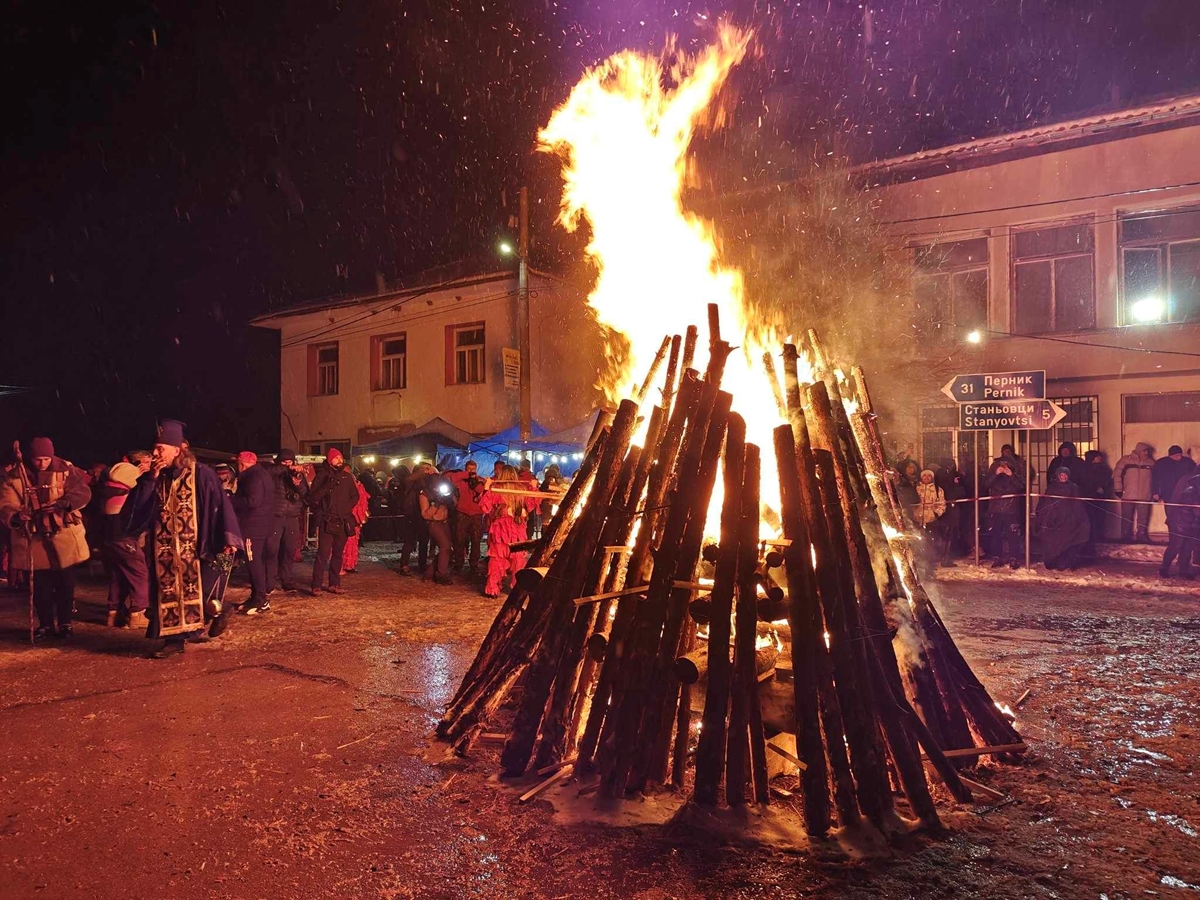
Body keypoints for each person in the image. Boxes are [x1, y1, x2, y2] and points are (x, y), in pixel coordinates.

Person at [124, 420, 244, 656]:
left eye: (161, 449)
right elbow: (138, 510)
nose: (155, 453)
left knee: (198, 592)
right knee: (169, 592)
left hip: (199, 545)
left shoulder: (201, 474)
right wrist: (150, 478)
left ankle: (218, 610)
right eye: (155, 448)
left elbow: (221, 505)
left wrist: (228, 537)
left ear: (177, 450)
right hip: (164, 550)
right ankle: (174, 641)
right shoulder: (155, 477)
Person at [0, 437, 92, 639]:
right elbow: (6, 502)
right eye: (37, 459)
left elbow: (83, 492)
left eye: (45, 459)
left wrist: (65, 503)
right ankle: (46, 624)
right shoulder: (16, 475)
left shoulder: (66, 470)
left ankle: (66, 623)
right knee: (40, 585)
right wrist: (16, 515)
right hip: (33, 537)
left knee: (65, 583)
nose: (41, 464)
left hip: (63, 535)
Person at [96, 460, 150, 629]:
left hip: (108, 539)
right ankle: (137, 614)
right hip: (124, 538)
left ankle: (113, 613)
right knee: (139, 573)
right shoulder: (125, 492)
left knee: (118, 575)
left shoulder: (107, 488)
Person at [479, 465, 540, 598]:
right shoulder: (521, 488)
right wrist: (534, 487)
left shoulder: (496, 489)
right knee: (518, 559)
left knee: (497, 558)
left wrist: (486, 487)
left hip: (501, 528)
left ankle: (492, 589)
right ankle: (517, 588)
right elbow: (531, 505)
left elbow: (484, 506)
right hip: (518, 527)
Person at [306, 448, 360, 595]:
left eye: (341, 458)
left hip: (342, 520)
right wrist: (327, 486)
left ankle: (334, 584)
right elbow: (313, 498)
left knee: (338, 553)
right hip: (326, 520)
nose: (339, 461)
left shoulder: (347, 477)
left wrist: (345, 509)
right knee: (323, 554)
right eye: (336, 458)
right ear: (330, 460)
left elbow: (355, 496)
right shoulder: (322, 476)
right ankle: (316, 585)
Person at [231, 451, 274, 614]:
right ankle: (256, 596)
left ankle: (260, 600)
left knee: (253, 563)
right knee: (256, 562)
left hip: (253, 527)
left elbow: (253, 501)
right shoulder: (260, 474)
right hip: (260, 525)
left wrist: (232, 500)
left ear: (242, 464)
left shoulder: (253, 477)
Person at [266, 449, 307, 593]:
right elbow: (270, 472)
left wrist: (298, 482)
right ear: (279, 462)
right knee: (272, 550)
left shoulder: (296, 474)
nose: (289, 465)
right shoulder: (272, 472)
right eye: (285, 462)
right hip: (275, 516)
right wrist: (286, 469)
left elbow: (304, 493)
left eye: (291, 462)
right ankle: (269, 581)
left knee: (289, 550)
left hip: (292, 516)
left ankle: (286, 579)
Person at [1036, 467, 1091, 571]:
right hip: (1053, 520)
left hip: (1068, 520)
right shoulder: (1052, 487)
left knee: (1069, 541)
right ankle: (1051, 561)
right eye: (1061, 475)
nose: (1063, 477)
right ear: (1057, 476)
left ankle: (1064, 562)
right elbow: (1045, 502)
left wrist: (1077, 519)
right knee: (1051, 542)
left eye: (1065, 475)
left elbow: (1077, 504)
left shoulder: (1073, 487)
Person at [418, 468, 455, 585]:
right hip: (433, 524)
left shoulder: (442, 491)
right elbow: (425, 514)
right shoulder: (424, 494)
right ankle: (441, 574)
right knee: (445, 547)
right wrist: (437, 503)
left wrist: (449, 499)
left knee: (447, 549)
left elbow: (454, 503)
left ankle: (429, 573)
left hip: (444, 522)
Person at [450, 460, 486, 576]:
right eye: (469, 469)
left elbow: (482, 491)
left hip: (476, 514)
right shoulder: (461, 480)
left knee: (476, 540)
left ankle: (474, 565)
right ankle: (459, 564)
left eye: (473, 469)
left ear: (476, 469)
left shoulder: (480, 480)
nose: (471, 471)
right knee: (459, 539)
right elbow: (452, 478)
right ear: (466, 469)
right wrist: (466, 475)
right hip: (462, 512)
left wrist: (475, 482)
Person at [1113, 442, 1155, 543]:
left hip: (1144, 495)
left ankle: (1142, 536)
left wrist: (1154, 492)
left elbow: (1156, 479)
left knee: (1143, 517)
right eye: (1144, 451)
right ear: (1138, 451)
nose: (1146, 453)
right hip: (1128, 494)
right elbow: (1117, 475)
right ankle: (1125, 536)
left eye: (1147, 451)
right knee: (1126, 516)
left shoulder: (1151, 463)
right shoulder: (1125, 461)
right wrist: (1118, 490)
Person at [985, 459, 1023, 569]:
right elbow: (986, 484)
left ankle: (1014, 558)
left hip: (1011, 510)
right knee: (996, 535)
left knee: (1013, 535)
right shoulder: (994, 476)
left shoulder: (1014, 475)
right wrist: (995, 474)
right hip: (996, 509)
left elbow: (1021, 486)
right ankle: (997, 558)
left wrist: (1011, 475)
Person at [1162, 470, 1200, 579]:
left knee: (1187, 547)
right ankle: (1164, 568)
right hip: (1180, 521)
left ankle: (1183, 571)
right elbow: (1196, 509)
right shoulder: (1191, 491)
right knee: (1176, 546)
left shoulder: (1192, 485)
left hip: (1190, 522)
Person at [399, 463, 435, 575]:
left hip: (423, 515)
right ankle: (404, 565)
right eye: (424, 469)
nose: (427, 471)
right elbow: (408, 480)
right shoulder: (411, 482)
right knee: (409, 541)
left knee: (424, 542)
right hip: (412, 514)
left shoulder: (428, 482)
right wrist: (422, 471)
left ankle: (422, 565)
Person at [1079, 450, 1114, 553]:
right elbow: (1082, 482)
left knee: (1100, 517)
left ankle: (1098, 535)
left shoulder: (1105, 469)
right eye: (1097, 457)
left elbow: (1109, 482)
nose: (1100, 458)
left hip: (1100, 497)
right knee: (1088, 518)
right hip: (1087, 497)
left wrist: (1104, 489)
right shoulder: (1084, 469)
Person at [935, 458, 966, 562]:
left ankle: (946, 556)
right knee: (948, 532)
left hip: (949, 506)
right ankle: (945, 558)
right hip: (948, 507)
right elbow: (953, 491)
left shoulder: (947, 474)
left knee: (948, 532)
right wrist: (956, 484)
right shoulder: (944, 475)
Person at [342, 467, 370, 574]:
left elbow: (362, 502)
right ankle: (343, 564)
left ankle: (349, 564)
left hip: (353, 518)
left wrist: (360, 515)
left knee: (352, 540)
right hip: (345, 517)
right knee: (345, 542)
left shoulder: (358, 486)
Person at [1152, 445, 1196, 514]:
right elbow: (1154, 478)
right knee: (1170, 514)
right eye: (1177, 455)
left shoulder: (1188, 462)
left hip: (1185, 493)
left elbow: (1194, 476)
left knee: (1185, 514)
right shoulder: (1160, 463)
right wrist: (1155, 492)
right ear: (1170, 455)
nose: (1179, 457)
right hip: (1168, 493)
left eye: (1180, 455)